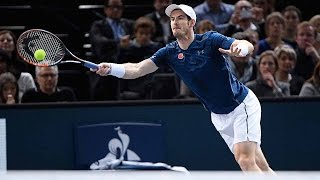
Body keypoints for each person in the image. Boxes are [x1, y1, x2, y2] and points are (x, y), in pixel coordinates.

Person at [93, 4, 275, 173]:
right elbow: (138, 69)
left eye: (180, 18)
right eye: (172, 19)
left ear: (192, 22)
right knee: (259, 165)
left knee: (245, 160)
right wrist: (111, 68)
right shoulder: (169, 52)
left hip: (241, 105)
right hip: (218, 116)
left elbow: (244, 44)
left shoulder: (210, 40)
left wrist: (240, 48)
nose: (175, 22)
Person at [89, 0, 134, 100]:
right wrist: (118, 43)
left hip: (127, 63)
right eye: (112, 7)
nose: (116, 10)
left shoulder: (129, 24)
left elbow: (137, 36)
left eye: (119, 7)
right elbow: (100, 42)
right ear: (105, 9)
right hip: (105, 64)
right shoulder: (98, 25)